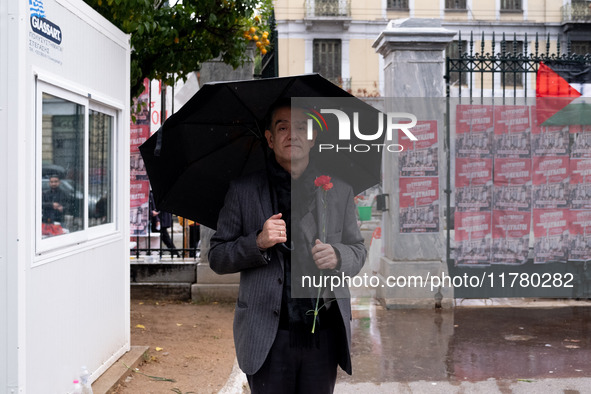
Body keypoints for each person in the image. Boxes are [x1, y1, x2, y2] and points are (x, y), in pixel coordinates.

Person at [209, 99, 366, 393]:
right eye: (282, 127)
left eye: (302, 127)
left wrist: (337, 255)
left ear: (313, 137)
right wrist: (257, 241)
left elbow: (358, 250)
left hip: (323, 334)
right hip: (267, 337)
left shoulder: (339, 191)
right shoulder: (244, 191)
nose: (292, 135)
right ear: (269, 139)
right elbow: (217, 256)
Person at [150, 191, 180, 257]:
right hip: (160, 219)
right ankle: (174, 253)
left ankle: (174, 253)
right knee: (163, 238)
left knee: (164, 238)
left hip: (160, 219)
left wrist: (157, 219)